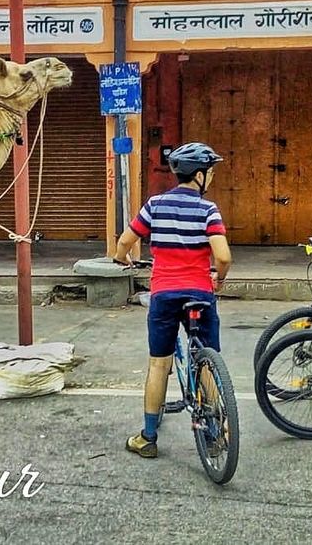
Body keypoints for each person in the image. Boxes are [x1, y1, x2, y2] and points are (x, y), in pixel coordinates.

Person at [113, 142, 232, 459]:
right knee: (207, 360)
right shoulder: (208, 210)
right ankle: (216, 429)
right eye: (212, 172)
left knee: (158, 363)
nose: (214, 177)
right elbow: (223, 256)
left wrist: (121, 258)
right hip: (200, 294)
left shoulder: (154, 205)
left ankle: (148, 438)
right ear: (200, 176)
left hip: (164, 294)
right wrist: (218, 277)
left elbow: (125, 242)